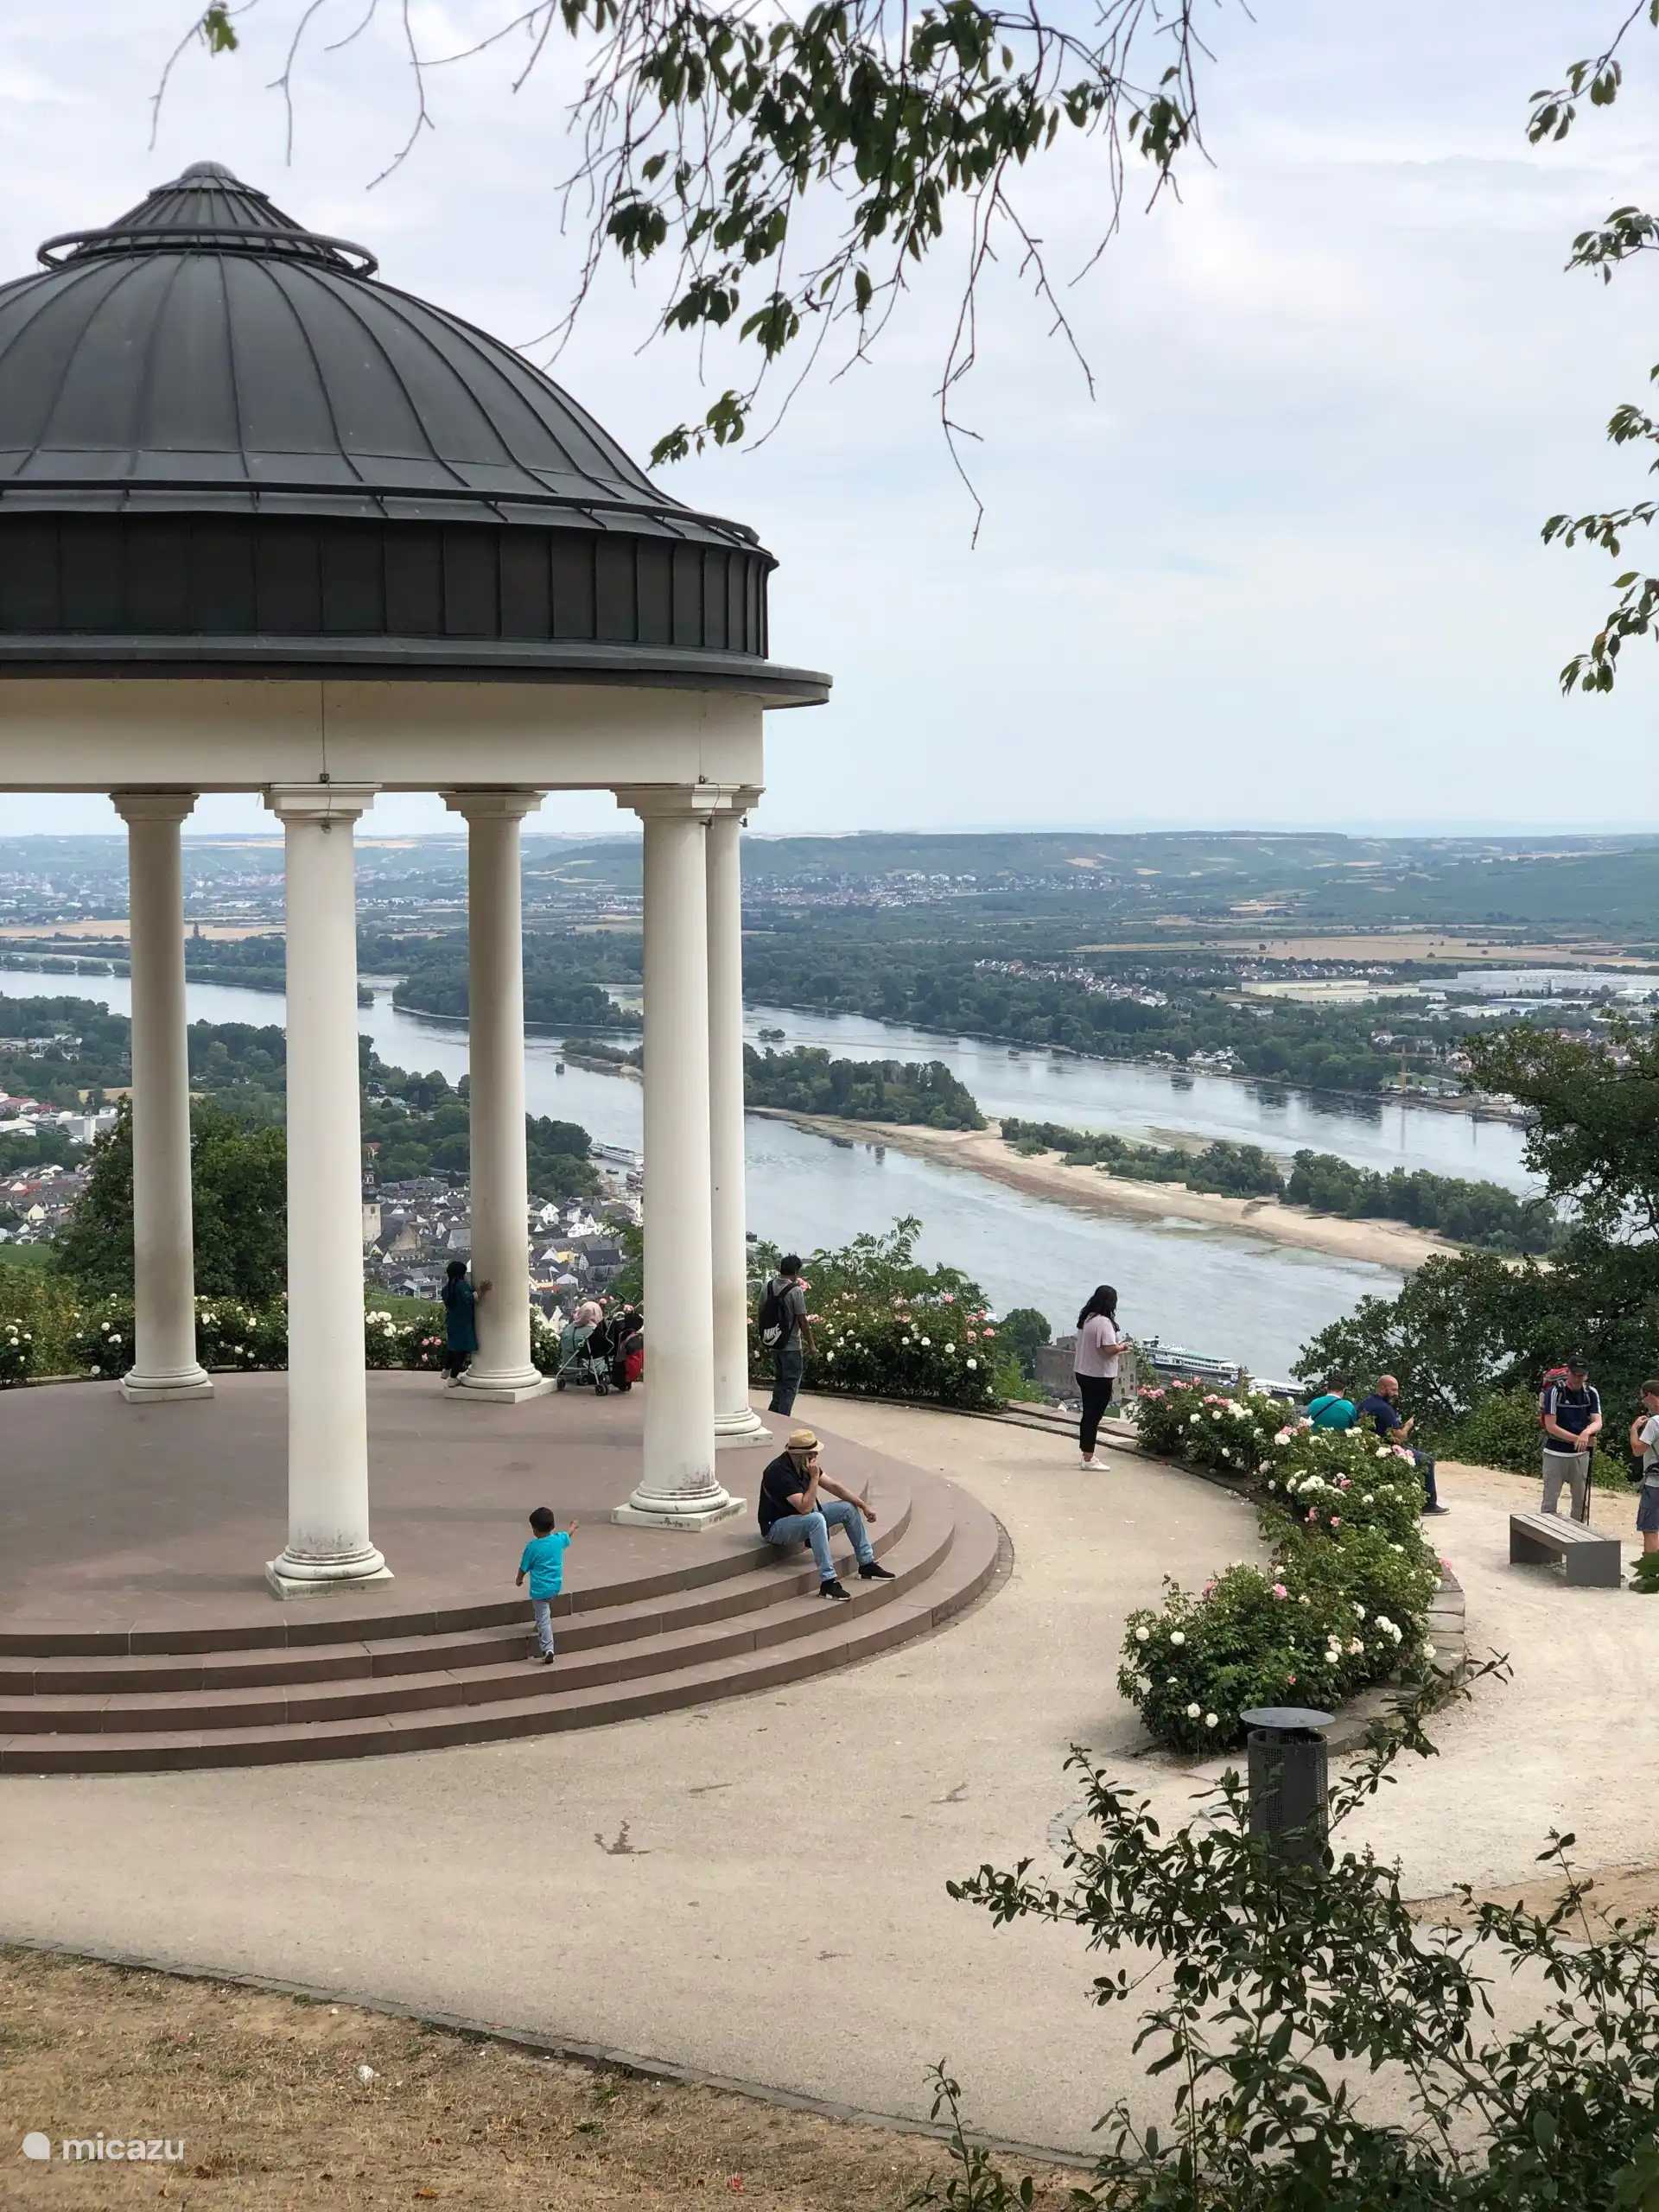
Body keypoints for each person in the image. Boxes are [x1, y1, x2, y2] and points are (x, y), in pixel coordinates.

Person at [757, 1427, 893, 1602]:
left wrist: (863, 1505)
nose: (816, 1457)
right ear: (801, 1455)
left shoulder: (804, 1465)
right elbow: (805, 1508)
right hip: (776, 1527)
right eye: (813, 1454)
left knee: (847, 1508)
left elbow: (834, 1486)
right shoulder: (778, 1472)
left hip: (800, 1519)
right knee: (816, 1519)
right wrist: (814, 1478)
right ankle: (828, 1582)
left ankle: (867, 1564)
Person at [1356, 1374, 1448, 1516]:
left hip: (1368, 1446)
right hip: (1387, 1448)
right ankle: (1429, 1505)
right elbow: (1399, 1438)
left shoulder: (1367, 1403)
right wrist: (1408, 1426)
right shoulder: (1384, 1408)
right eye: (1393, 1390)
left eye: (1397, 1390)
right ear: (1382, 1388)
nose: (1396, 1394)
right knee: (1427, 1460)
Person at [1541, 1353, 1602, 1521]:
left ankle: (1578, 1540)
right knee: (1550, 1500)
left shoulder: (1591, 1393)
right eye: (1575, 1374)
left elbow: (1598, 1421)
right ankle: (1548, 1538)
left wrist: (1586, 1433)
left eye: (1581, 1375)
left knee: (1581, 1502)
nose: (1577, 1379)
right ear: (1568, 1372)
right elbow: (1551, 1426)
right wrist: (1578, 1439)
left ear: (1586, 1375)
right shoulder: (1555, 1392)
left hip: (1580, 1454)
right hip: (1555, 1453)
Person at [516, 1505, 579, 1665]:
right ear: (552, 1526)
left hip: (540, 1589)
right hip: (555, 1586)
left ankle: (548, 1649)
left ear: (535, 1529)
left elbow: (524, 1567)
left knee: (544, 1617)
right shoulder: (558, 1540)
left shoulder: (533, 1547)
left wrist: (519, 1579)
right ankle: (539, 1625)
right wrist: (573, 1526)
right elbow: (568, 1534)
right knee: (543, 1612)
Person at [1073, 1284, 1126, 1471]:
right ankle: (1088, 1458)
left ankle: (1086, 1452)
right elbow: (1108, 1349)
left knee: (1088, 1414)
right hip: (1098, 1375)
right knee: (1094, 1416)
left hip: (1083, 1371)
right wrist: (1122, 1347)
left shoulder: (1087, 1318)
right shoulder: (1103, 1322)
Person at [760, 1255, 812, 1417]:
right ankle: (783, 1419)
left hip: (774, 1342)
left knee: (780, 1382)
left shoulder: (767, 1287)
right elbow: (802, 1321)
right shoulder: (795, 1291)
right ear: (796, 1271)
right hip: (791, 1346)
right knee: (790, 1386)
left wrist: (763, 1340)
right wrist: (811, 1344)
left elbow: (761, 1314)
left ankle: (772, 1418)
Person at [439, 1258, 491, 1382]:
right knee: (461, 1352)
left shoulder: (446, 1289)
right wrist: (481, 1291)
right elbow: (469, 1299)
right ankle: (453, 1378)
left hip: (451, 1322)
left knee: (453, 1348)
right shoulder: (461, 1285)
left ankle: (446, 1370)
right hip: (463, 1323)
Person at [1630, 1381, 1659, 1557]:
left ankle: (1651, 1576)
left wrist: (1634, 1429)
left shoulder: (1654, 1423)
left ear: (1649, 1396)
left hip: (1655, 1484)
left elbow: (1638, 1450)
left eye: (1643, 1398)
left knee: (1650, 1529)